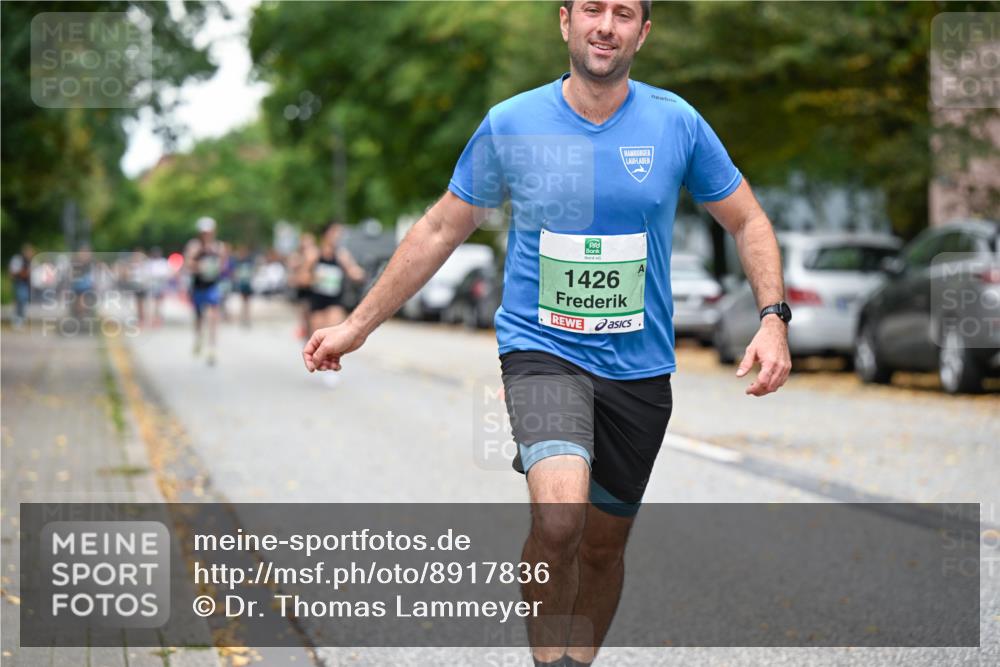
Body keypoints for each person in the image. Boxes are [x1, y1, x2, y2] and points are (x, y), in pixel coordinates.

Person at [303, 2, 792, 664]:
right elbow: (442, 226)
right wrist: (357, 325)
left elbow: (748, 220)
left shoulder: (676, 122)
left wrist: (772, 318)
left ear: (643, 34)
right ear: (565, 21)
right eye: (592, 8)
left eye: (624, 14)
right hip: (543, 351)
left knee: (602, 545)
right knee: (560, 520)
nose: (606, 25)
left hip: (639, 368)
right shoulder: (512, 124)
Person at [305, 223, 365, 387]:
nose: (337, 236)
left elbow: (352, 270)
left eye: (339, 234)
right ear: (325, 235)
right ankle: (319, 360)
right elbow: (302, 277)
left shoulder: (341, 254)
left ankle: (331, 370)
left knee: (333, 330)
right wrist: (314, 278)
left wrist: (359, 274)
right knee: (318, 335)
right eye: (334, 233)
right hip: (317, 299)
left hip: (334, 300)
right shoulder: (314, 254)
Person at [184, 216, 227, 366]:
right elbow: (188, 263)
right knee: (199, 316)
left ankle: (212, 347)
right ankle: (198, 338)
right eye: (204, 232)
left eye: (208, 232)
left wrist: (215, 267)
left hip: (212, 286)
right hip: (198, 286)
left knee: (213, 315)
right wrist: (199, 266)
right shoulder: (194, 246)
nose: (206, 235)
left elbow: (222, 265)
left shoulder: (218, 246)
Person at [287, 232, 318, 340]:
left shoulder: (315, 254)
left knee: (311, 315)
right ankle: (307, 334)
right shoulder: (298, 256)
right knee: (305, 314)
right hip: (302, 289)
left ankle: (310, 335)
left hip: (312, 288)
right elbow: (292, 273)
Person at [8, 243, 34, 328]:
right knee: (21, 300)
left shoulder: (30, 261)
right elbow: (13, 272)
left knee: (24, 301)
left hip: (27, 284)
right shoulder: (18, 259)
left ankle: (21, 318)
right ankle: (18, 319)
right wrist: (25, 273)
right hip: (19, 283)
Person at [232, 244, 256, 328]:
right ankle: (243, 319)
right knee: (243, 302)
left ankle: (247, 319)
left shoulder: (248, 261)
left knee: (247, 303)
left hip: (247, 284)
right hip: (242, 284)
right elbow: (236, 273)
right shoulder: (239, 261)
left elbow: (253, 272)